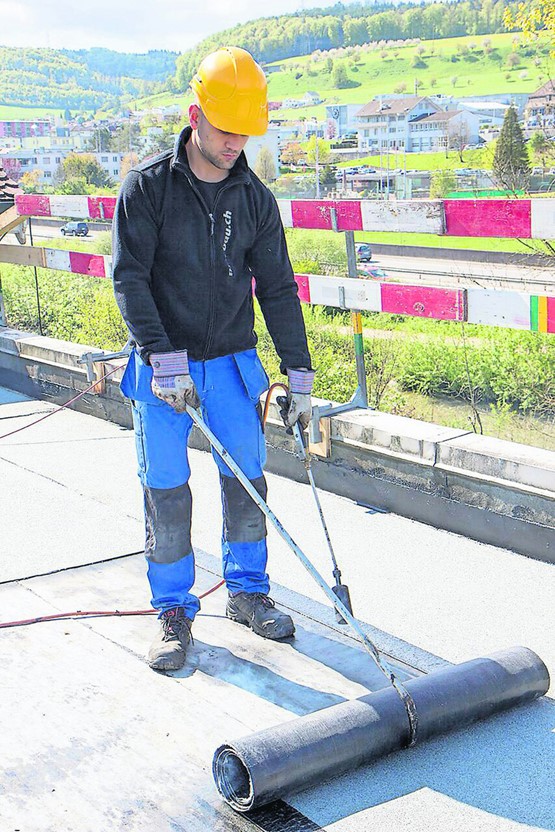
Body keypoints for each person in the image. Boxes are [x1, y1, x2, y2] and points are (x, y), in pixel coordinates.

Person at [112, 46, 314, 672]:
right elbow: (129, 280)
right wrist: (160, 356)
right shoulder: (146, 189)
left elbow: (277, 287)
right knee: (166, 489)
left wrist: (299, 373)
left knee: (247, 480)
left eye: (245, 135)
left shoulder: (253, 199)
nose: (235, 146)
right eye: (226, 132)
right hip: (162, 367)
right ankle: (174, 609)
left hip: (231, 363)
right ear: (195, 115)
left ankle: (248, 592)